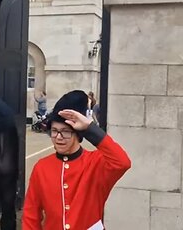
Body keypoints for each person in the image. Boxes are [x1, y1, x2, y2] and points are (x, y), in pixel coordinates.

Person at [22, 90, 131, 229]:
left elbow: (123, 162)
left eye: (66, 131)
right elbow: (31, 215)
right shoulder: (42, 167)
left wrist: (90, 128)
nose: (59, 137)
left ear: (78, 133)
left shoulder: (96, 163)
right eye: (54, 131)